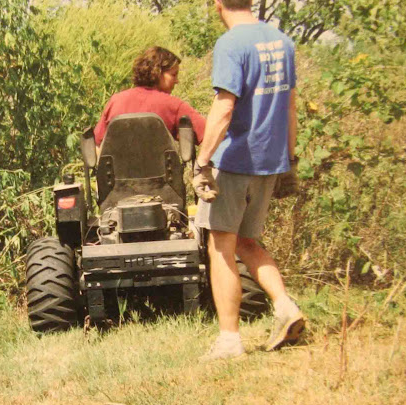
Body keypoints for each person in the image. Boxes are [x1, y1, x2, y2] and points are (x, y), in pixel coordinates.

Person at [193, 0, 305, 361]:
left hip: (236, 160)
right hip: (270, 160)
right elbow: (289, 105)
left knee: (220, 246)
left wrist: (202, 161)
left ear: (218, 3)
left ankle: (229, 340)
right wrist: (289, 159)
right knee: (246, 241)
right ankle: (286, 306)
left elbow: (224, 107)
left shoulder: (232, 43)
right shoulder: (281, 41)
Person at [94, 46, 205, 148]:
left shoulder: (116, 100)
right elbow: (208, 134)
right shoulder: (174, 105)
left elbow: (97, 145)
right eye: (173, 75)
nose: (177, 81)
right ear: (158, 72)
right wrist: (202, 164)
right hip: (160, 170)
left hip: (117, 170)